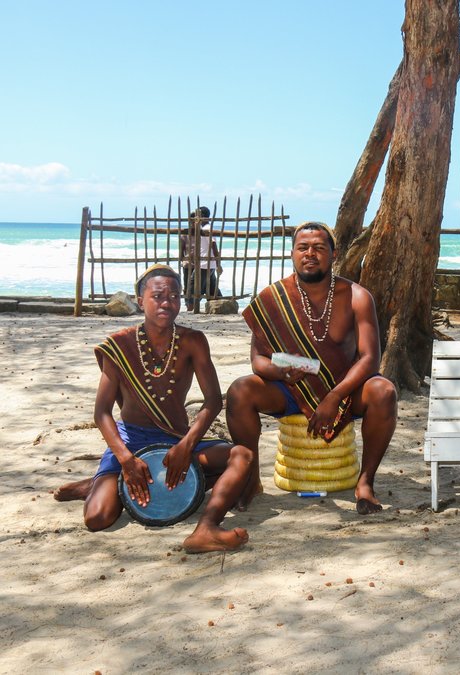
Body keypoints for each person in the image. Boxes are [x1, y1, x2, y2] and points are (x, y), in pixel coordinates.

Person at [54, 265, 253, 553]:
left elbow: (212, 401)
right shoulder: (119, 345)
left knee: (241, 456)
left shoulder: (193, 341)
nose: (166, 303)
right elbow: (102, 413)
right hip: (131, 442)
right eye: (158, 296)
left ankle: (207, 527)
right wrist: (125, 460)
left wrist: (186, 445)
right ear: (140, 299)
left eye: (174, 296)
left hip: (176, 439)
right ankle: (101, 483)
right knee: (97, 518)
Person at [226, 222, 397, 513]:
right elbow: (258, 360)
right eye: (303, 247)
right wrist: (281, 371)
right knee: (240, 390)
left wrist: (334, 396)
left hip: (346, 389)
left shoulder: (356, 296)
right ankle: (251, 481)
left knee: (384, 391)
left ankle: (365, 482)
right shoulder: (273, 298)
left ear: (334, 253)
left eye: (319, 248)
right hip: (290, 389)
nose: (310, 254)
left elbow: (369, 358)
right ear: (292, 253)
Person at [180, 206, 223, 311]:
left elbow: (214, 246)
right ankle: (222, 305)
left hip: (204, 265)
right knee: (212, 289)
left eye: (197, 216)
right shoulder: (204, 229)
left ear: (202, 216)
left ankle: (190, 310)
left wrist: (218, 265)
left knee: (191, 289)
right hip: (208, 264)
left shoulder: (206, 229)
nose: (196, 219)